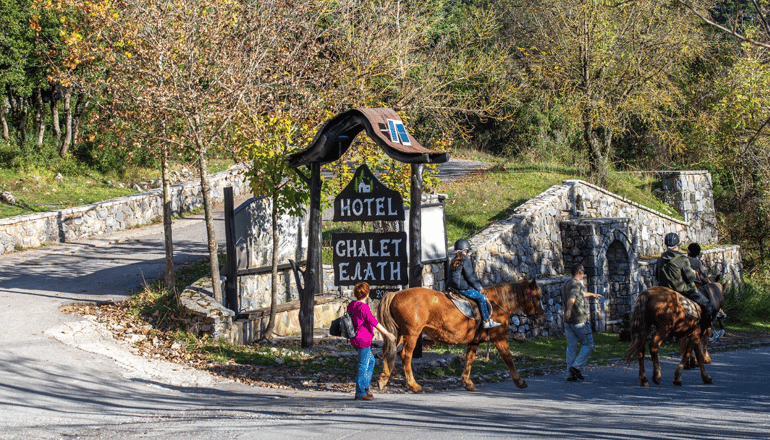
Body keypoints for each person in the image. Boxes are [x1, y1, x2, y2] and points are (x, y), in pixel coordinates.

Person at [656, 233, 724, 341]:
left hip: (664, 291)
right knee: (707, 304)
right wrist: (692, 272)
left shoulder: (660, 259)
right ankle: (709, 334)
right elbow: (690, 278)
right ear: (677, 245)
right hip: (683, 290)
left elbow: (656, 275)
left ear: (666, 245)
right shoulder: (681, 258)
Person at [347, 282, 397, 401]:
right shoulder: (364, 308)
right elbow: (375, 322)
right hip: (363, 339)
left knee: (371, 362)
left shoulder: (351, 305)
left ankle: (365, 387)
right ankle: (360, 392)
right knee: (363, 365)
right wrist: (388, 334)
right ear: (367, 293)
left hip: (355, 338)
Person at [447, 238, 501, 329]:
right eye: (467, 250)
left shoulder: (454, 260)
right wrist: (479, 287)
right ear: (465, 250)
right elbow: (470, 276)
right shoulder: (465, 260)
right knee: (481, 298)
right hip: (462, 289)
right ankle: (486, 321)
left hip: (452, 288)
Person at [562, 263, 602, 382]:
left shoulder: (567, 283)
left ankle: (570, 374)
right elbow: (572, 298)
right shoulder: (576, 284)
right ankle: (576, 367)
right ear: (580, 273)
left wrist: (592, 295)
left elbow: (579, 294)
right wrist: (569, 310)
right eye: (583, 272)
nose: (584, 274)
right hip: (579, 321)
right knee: (588, 344)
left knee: (571, 347)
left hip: (568, 322)